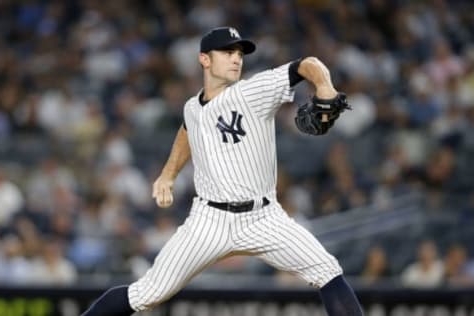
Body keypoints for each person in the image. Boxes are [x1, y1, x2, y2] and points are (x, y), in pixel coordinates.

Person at [82, 26, 363, 316]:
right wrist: (168, 174)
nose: (236, 59)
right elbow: (188, 129)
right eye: (228, 52)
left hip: (263, 217)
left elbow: (307, 65)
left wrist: (325, 87)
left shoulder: (252, 92)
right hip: (209, 220)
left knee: (328, 271)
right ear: (205, 59)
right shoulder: (193, 106)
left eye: (239, 53)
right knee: (146, 293)